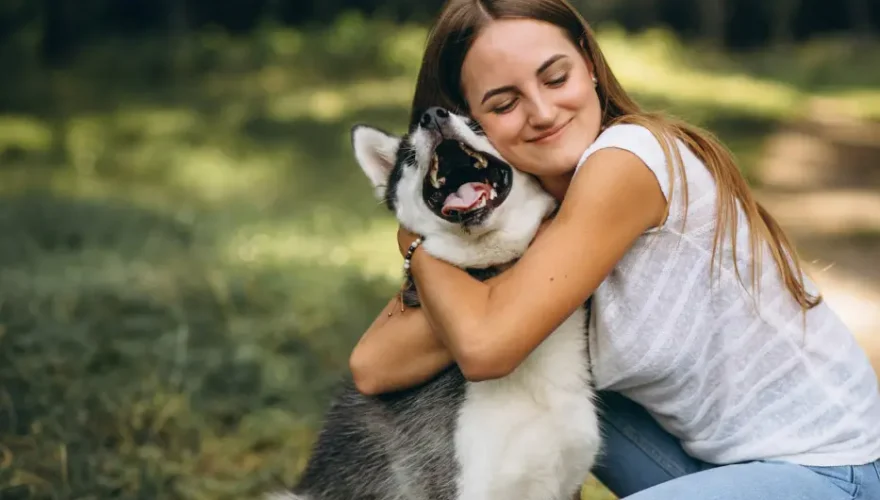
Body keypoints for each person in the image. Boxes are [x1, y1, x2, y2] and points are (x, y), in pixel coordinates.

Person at [347, 0, 880, 498]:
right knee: (540, 375)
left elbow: (486, 348)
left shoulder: (627, 160)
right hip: (709, 465)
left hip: (828, 468)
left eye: (556, 77)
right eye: (504, 102)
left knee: (521, 351)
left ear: (589, 64)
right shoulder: (526, 219)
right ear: (469, 126)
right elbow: (373, 367)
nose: (542, 111)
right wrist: (428, 236)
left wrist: (417, 238)